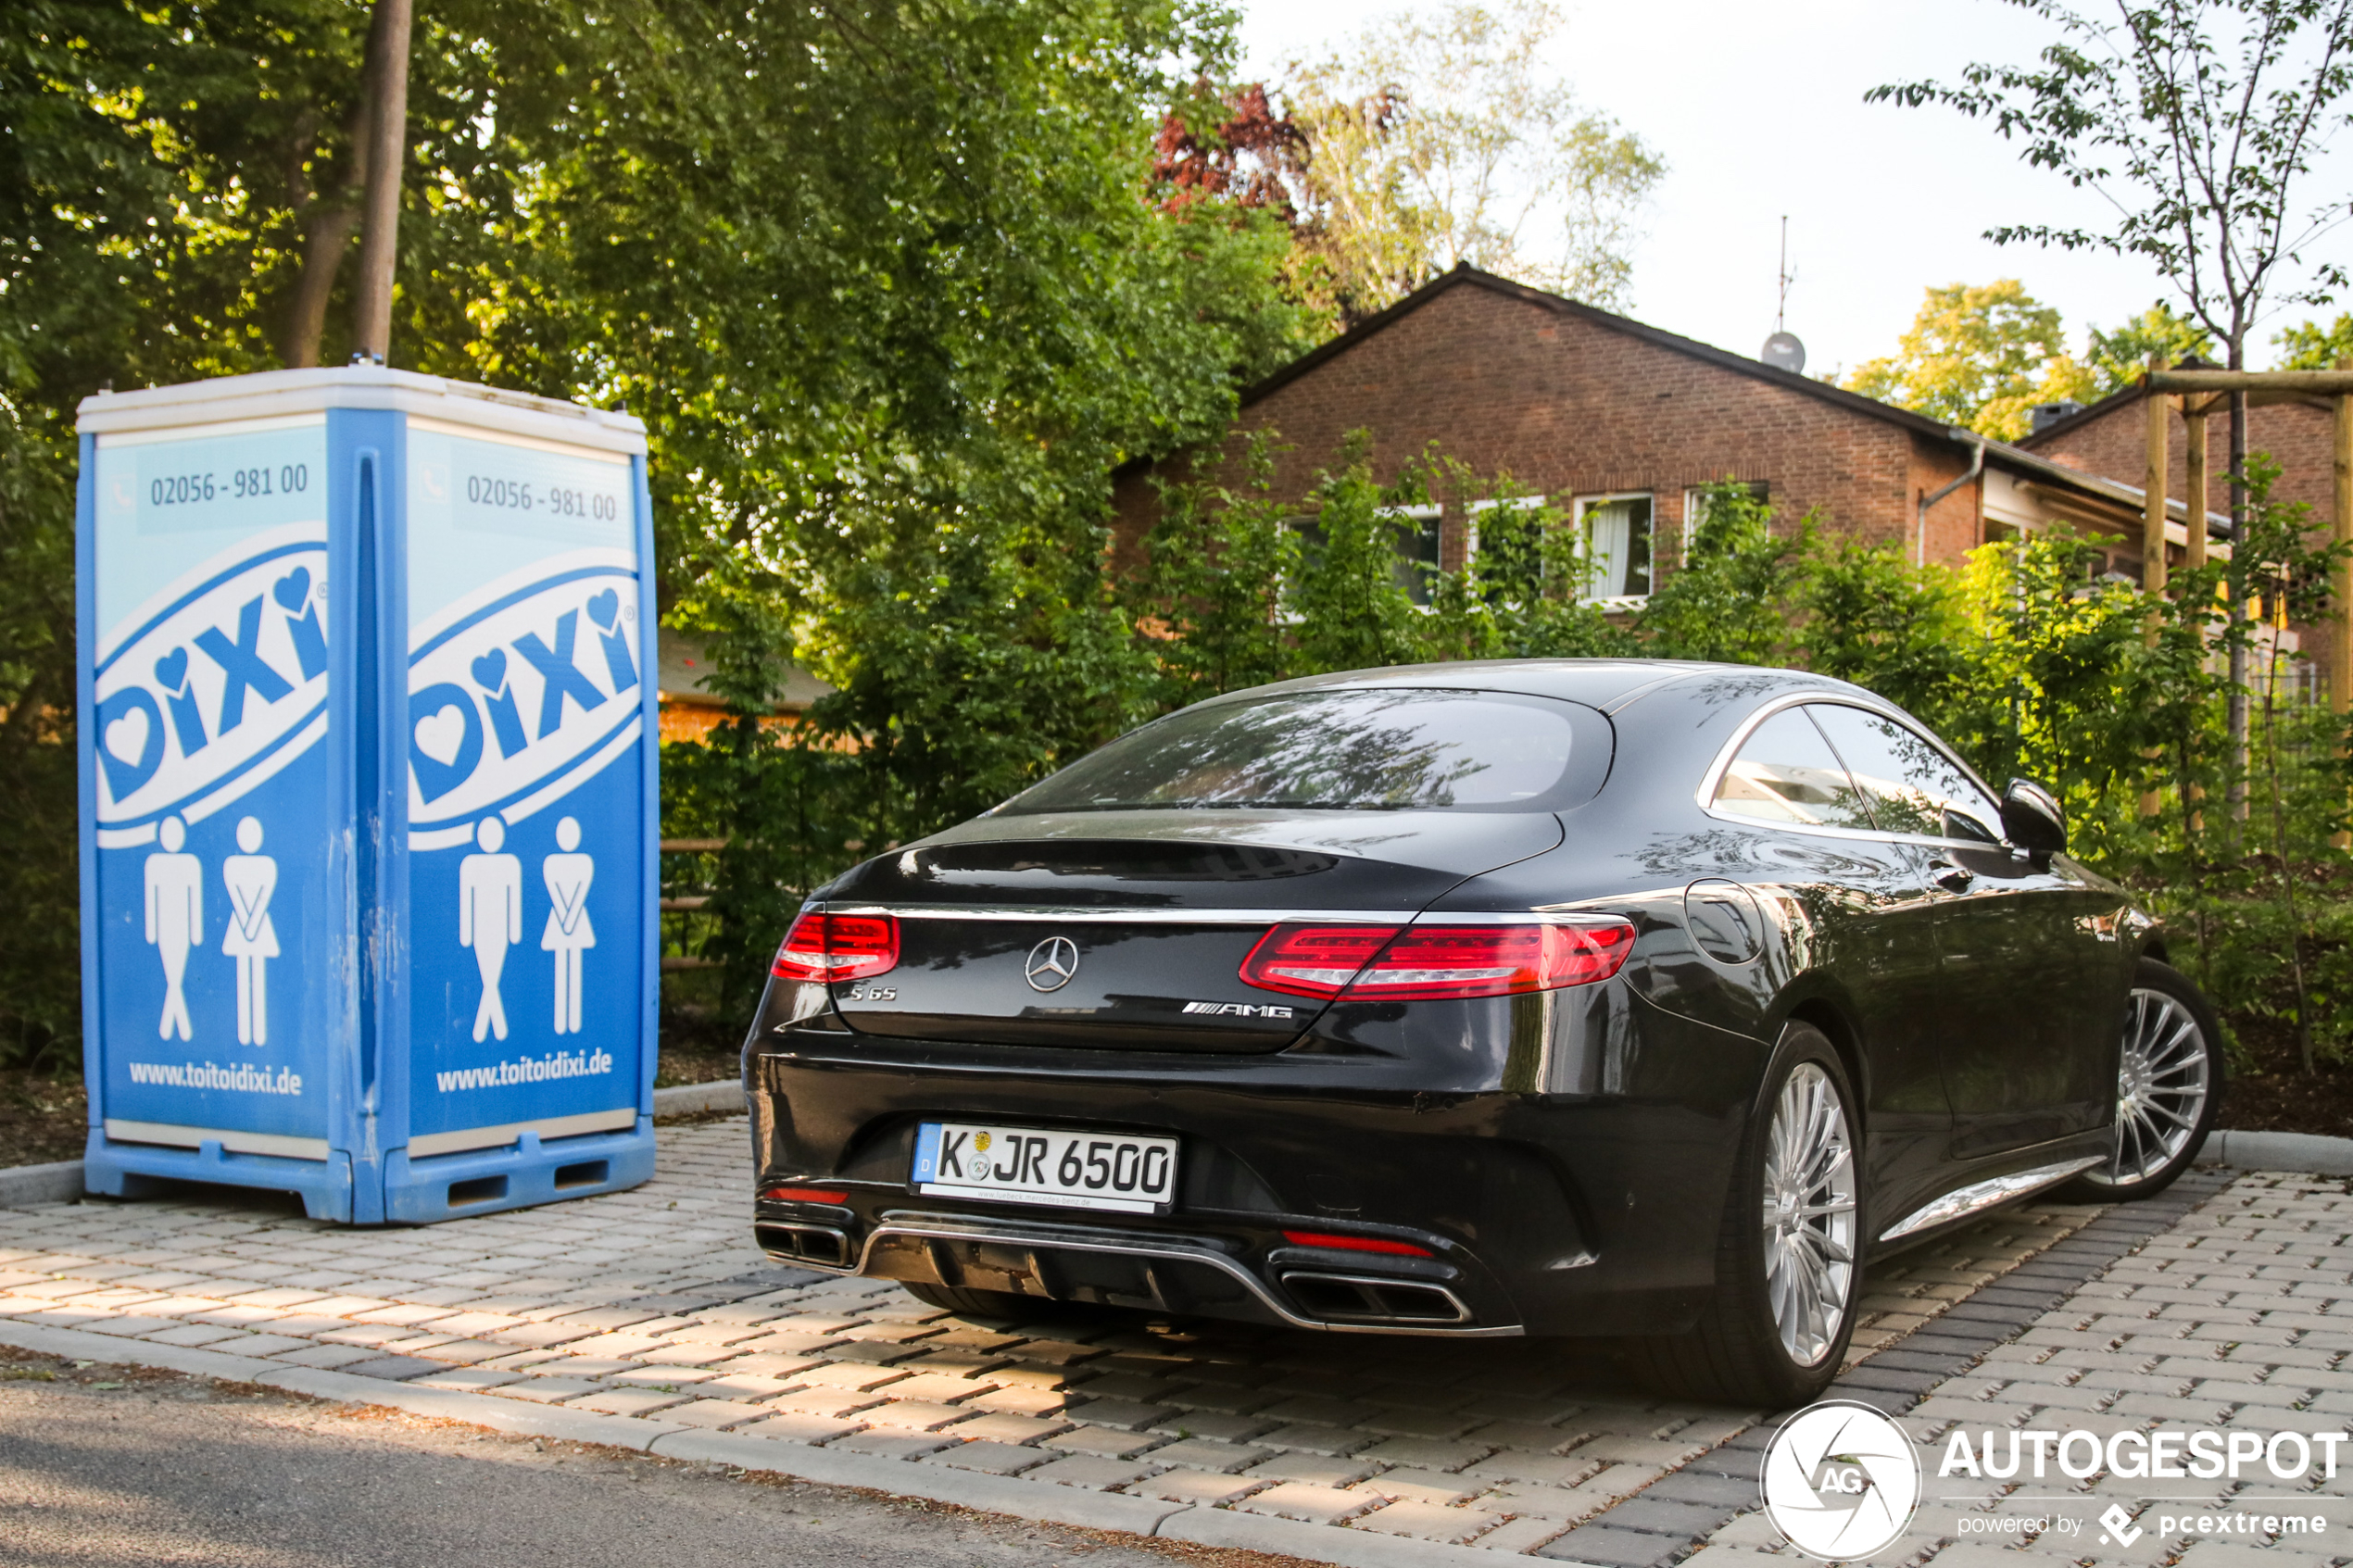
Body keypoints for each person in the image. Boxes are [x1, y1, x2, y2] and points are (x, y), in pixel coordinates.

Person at [458, 818, 522, 1043]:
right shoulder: (470, 864)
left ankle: (485, 1029)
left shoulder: (511, 864)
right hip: (482, 930)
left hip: (499, 929)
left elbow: (514, 899)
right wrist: (466, 934)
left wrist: (514, 931)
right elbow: (467, 900)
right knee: (490, 978)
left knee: (491, 977)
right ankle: (495, 1028)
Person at [220, 816, 279, 1046]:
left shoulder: (267, 865)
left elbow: (263, 898)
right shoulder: (231, 865)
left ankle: (256, 1034)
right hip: (250, 926)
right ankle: (246, 1034)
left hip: (251, 926)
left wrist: (249, 926)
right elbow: (235, 896)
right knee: (244, 974)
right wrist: (250, 926)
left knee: (255, 973)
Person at [144, 816, 202, 1041]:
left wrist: (196, 933)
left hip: (182, 927)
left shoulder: (191, 863)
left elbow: (194, 899)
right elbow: (151, 898)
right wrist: (151, 931)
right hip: (165, 926)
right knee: (173, 974)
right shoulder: (154, 864)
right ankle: (179, 1027)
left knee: (176, 973)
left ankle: (171, 1027)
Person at [541, 817, 596, 1035]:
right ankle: (561, 1022)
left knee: (574, 966)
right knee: (561, 966)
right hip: (566, 919)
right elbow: (553, 890)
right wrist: (568, 918)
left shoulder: (584, 861)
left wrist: (567, 919)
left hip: (569, 919)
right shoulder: (551, 862)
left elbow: (582, 890)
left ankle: (573, 1022)